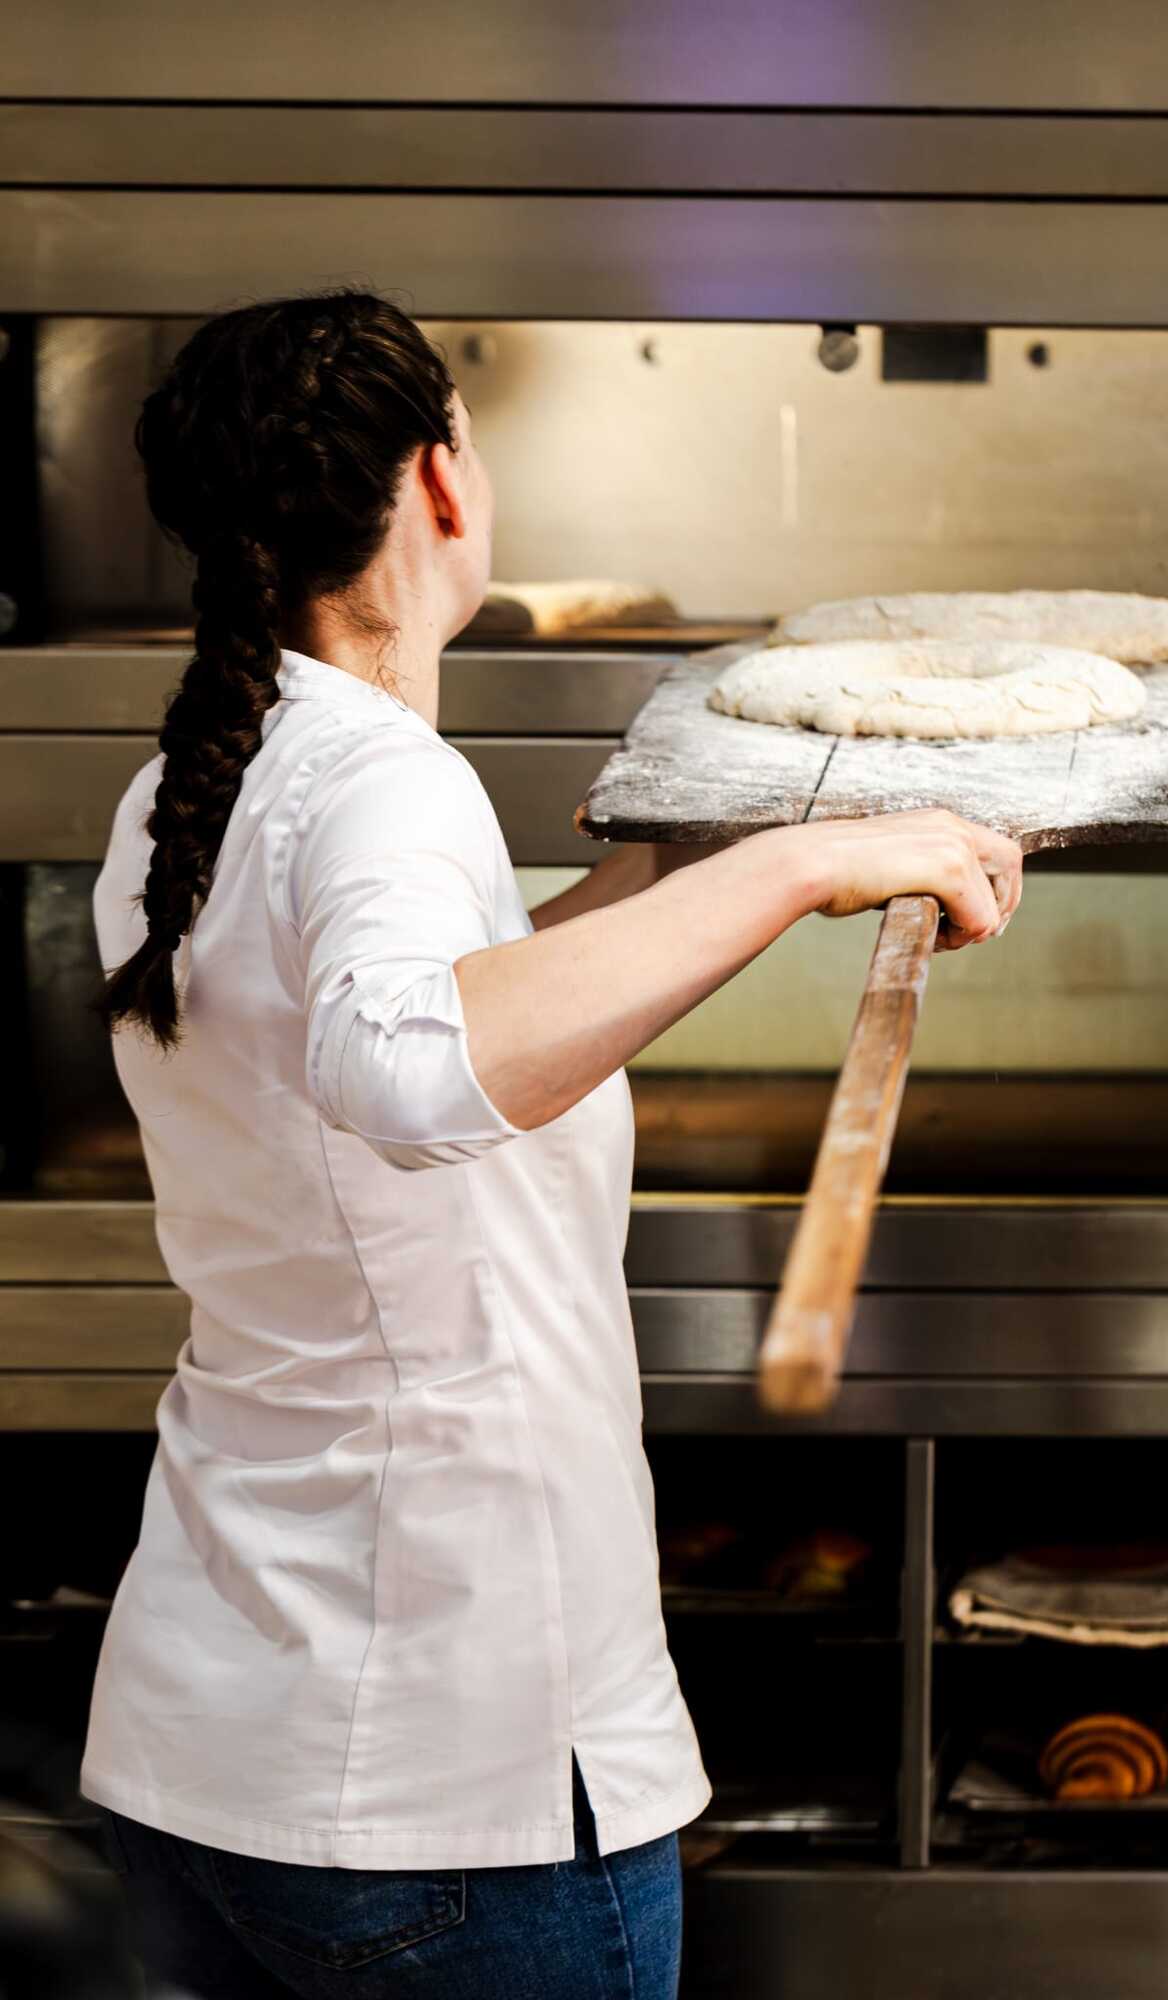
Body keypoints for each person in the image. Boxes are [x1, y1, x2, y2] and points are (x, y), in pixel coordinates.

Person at [84, 291, 1022, 2000]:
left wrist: (759, 838)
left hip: (215, 1736)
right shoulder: (379, 780)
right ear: (443, 481)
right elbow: (411, 1064)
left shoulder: (194, 788)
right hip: (451, 1770)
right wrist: (800, 872)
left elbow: (467, 998)